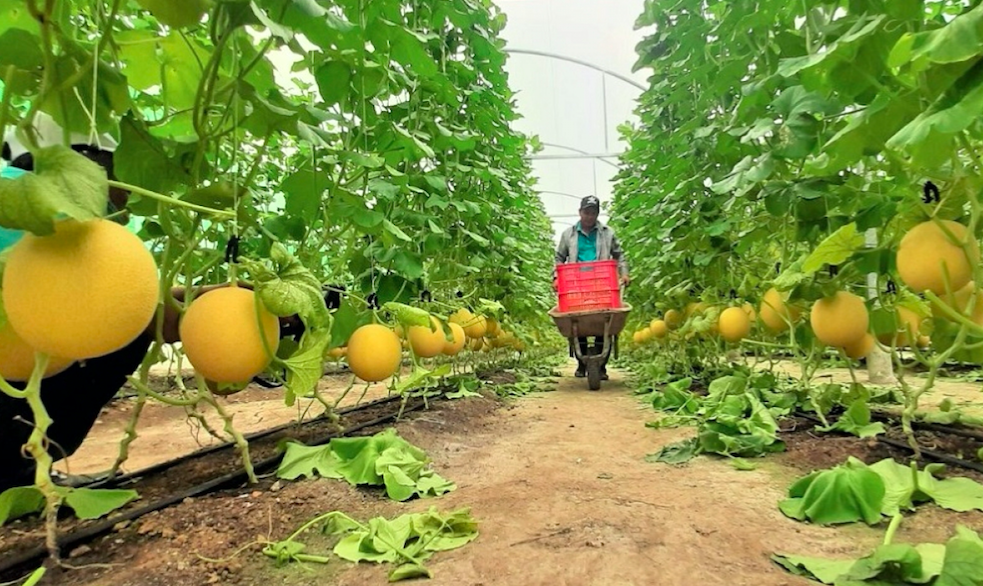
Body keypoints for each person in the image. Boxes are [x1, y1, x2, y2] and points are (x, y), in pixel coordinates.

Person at [0, 114, 322, 492]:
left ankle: (18, 470)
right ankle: (14, 470)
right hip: (17, 371)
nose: (129, 191)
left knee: (120, 325)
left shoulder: (58, 219)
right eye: (122, 169)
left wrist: (230, 301)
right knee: (118, 333)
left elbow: (143, 307)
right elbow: (140, 315)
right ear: (88, 161)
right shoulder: (39, 207)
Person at [554, 195, 629, 380]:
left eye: (593, 212)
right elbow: (559, 258)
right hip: (576, 283)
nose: (590, 216)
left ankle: (601, 366)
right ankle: (582, 363)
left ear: (597, 214)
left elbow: (619, 255)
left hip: (602, 281)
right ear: (580, 212)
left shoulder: (607, 233)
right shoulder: (568, 234)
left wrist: (624, 273)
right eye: (586, 212)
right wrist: (556, 277)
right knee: (577, 320)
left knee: (604, 319)